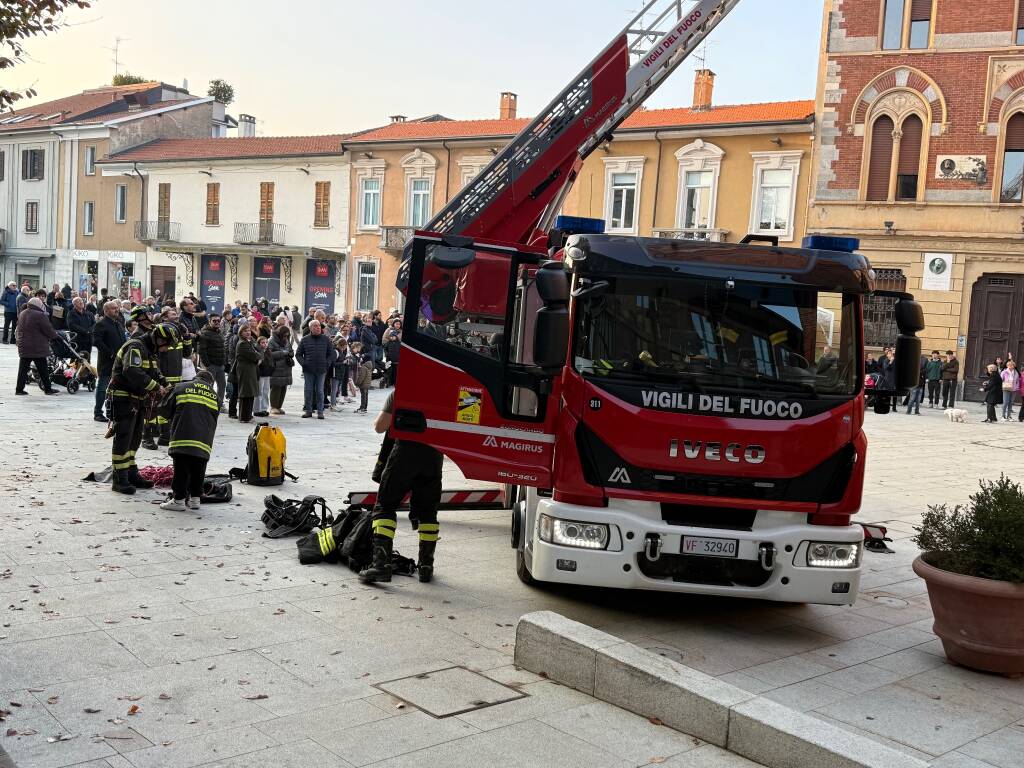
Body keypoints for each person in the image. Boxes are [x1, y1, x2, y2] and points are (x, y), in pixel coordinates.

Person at [359, 390, 443, 584]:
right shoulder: (446, 388)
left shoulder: (404, 389)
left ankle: (381, 565)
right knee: (428, 511)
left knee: (385, 506)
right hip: (434, 456)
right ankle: (426, 567)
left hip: (405, 453)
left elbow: (380, 426)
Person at [108, 323, 175, 494]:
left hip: (138, 399)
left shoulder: (149, 350)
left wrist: (166, 384)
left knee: (135, 437)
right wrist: (155, 387)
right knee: (124, 437)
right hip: (124, 398)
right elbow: (131, 370)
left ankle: (131, 473)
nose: (166, 349)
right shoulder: (135, 347)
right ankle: (119, 479)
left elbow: (154, 371)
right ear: (158, 339)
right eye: (166, 344)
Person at [158, 369, 220, 511]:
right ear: (210, 383)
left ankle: (179, 500)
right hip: (204, 440)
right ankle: (195, 499)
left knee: (182, 468)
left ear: (195, 378)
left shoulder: (181, 387)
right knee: (199, 467)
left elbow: (164, 410)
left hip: (183, 436)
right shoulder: (215, 396)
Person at [14, 297, 58, 396]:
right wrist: (56, 336)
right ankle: (48, 389)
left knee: (23, 369)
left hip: (24, 345)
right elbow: (48, 329)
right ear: (38, 305)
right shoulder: (40, 315)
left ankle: (19, 389)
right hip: (37, 347)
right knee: (43, 369)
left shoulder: (22, 313)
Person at [92, 301, 127, 422]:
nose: (116, 310)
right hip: (107, 362)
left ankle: (115, 410)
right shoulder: (101, 324)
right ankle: (98, 412)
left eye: (117, 308)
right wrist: (110, 353)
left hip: (120, 362)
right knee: (102, 387)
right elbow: (97, 341)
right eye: (113, 308)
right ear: (106, 311)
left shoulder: (118, 324)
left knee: (119, 388)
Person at [296, 320, 336, 419]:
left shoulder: (326, 339)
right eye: (315, 326)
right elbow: (298, 354)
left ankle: (320, 411)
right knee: (308, 390)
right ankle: (308, 411)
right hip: (308, 370)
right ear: (310, 328)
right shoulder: (305, 339)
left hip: (321, 369)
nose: (318, 327)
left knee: (320, 391)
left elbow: (331, 354)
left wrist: (327, 363)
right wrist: (304, 364)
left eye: (318, 326)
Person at [232, 325, 261, 423]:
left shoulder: (248, 342)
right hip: (246, 370)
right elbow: (255, 355)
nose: (248, 333)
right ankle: (244, 416)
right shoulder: (242, 344)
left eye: (249, 331)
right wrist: (259, 355)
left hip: (250, 369)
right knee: (246, 393)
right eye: (245, 331)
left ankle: (247, 415)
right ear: (241, 332)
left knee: (250, 393)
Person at [196, 314, 227, 408]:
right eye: (214, 321)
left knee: (222, 385)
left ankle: (219, 405)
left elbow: (222, 348)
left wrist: (224, 362)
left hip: (220, 364)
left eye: (218, 320)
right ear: (210, 321)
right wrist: (207, 364)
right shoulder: (204, 333)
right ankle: (206, 404)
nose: (217, 322)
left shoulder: (220, 332)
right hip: (211, 364)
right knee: (208, 385)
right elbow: (201, 350)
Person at [268, 325, 295, 415]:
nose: (286, 337)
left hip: (286, 367)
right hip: (276, 368)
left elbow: (291, 351)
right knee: (276, 387)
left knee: (283, 387)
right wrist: (282, 353)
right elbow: (269, 354)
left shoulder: (286, 340)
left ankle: (279, 406)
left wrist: (289, 353)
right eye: (284, 335)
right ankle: (273, 406)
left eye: (287, 335)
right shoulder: (271, 341)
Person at [66, 297, 95, 362]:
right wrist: (85, 331)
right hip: (78, 340)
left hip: (88, 339)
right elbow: (72, 325)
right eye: (79, 301)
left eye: (81, 301)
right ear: (74, 304)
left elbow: (94, 323)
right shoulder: (71, 313)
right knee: (76, 358)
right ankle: (74, 371)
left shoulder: (88, 313)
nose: (81, 302)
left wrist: (90, 330)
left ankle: (86, 371)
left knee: (87, 357)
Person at [350, 341, 373, 414]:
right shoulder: (369, 366)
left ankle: (362, 408)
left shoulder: (363, 367)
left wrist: (357, 383)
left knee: (363, 395)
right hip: (367, 384)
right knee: (366, 395)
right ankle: (365, 407)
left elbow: (361, 377)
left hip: (363, 384)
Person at [254, 336, 273, 417]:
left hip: (267, 374)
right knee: (259, 392)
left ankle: (264, 408)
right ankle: (257, 409)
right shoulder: (257, 350)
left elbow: (271, 361)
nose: (265, 344)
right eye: (262, 342)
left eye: (266, 342)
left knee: (265, 391)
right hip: (260, 374)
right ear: (259, 343)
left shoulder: (268, 350)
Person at [330, 337, 350, 410]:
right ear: (342, 345)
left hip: (339, 373)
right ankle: (332, 405)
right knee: (334, 390)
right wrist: (342, 362)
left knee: (336, 389)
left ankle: (334, 404)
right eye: (345, 346)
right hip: (335, 374)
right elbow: (333, 363)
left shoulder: (341, 352)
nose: (345, 348)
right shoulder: (336, 351)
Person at [878, 347, 897, 414]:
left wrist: (893, 361)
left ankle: (894, 407)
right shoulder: (885, 361)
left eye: (891, 353)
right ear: (887, 355)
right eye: (889, 354)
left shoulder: (895, 360)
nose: (890, 355)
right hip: (888, 379)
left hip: (894, 378)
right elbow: (886, 368)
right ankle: (888, 405)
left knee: (895, 393)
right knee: (888, 393)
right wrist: (890, 362)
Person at [384, 320, 402, 387]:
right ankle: (388, 382)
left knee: (395, 372)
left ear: (396, 337)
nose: (392, 338)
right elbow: (385, 349)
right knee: (388, 371)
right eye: (391, 336)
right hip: (389, 359)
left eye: (393, 336)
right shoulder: (388, 343)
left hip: (396, 360)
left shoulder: (399, 344)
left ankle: (394, 382)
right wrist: (386, 354)